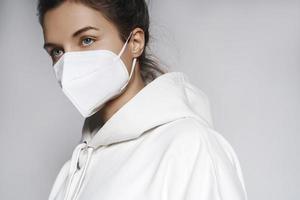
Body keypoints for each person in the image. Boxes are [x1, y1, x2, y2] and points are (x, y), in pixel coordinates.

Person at [36, 0, 248, 200]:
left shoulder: (190, 148)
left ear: (135, 42)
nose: (69, 64)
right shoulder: (73, 170)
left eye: (87, 40)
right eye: (57, 51)